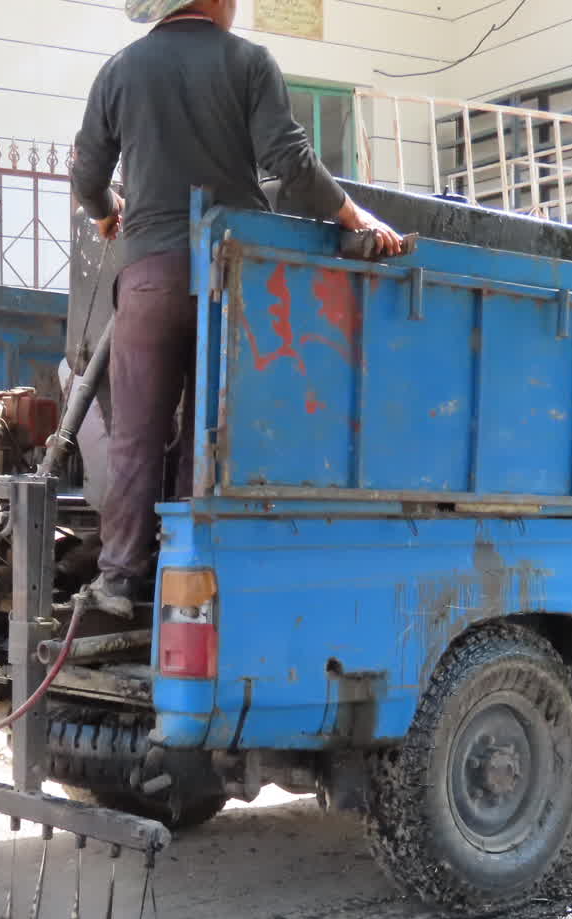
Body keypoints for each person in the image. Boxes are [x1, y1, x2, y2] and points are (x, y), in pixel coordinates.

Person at [70, 0, 405, 618]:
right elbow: (291, 163)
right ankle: (190, 575)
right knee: (211, 432)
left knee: (137, 435)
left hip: (148, 277)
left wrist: (108, 211)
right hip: (232, 272)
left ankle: (118, 580)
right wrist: (354, 217)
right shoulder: (249, 62)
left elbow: (87, 172)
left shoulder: (121, 70)